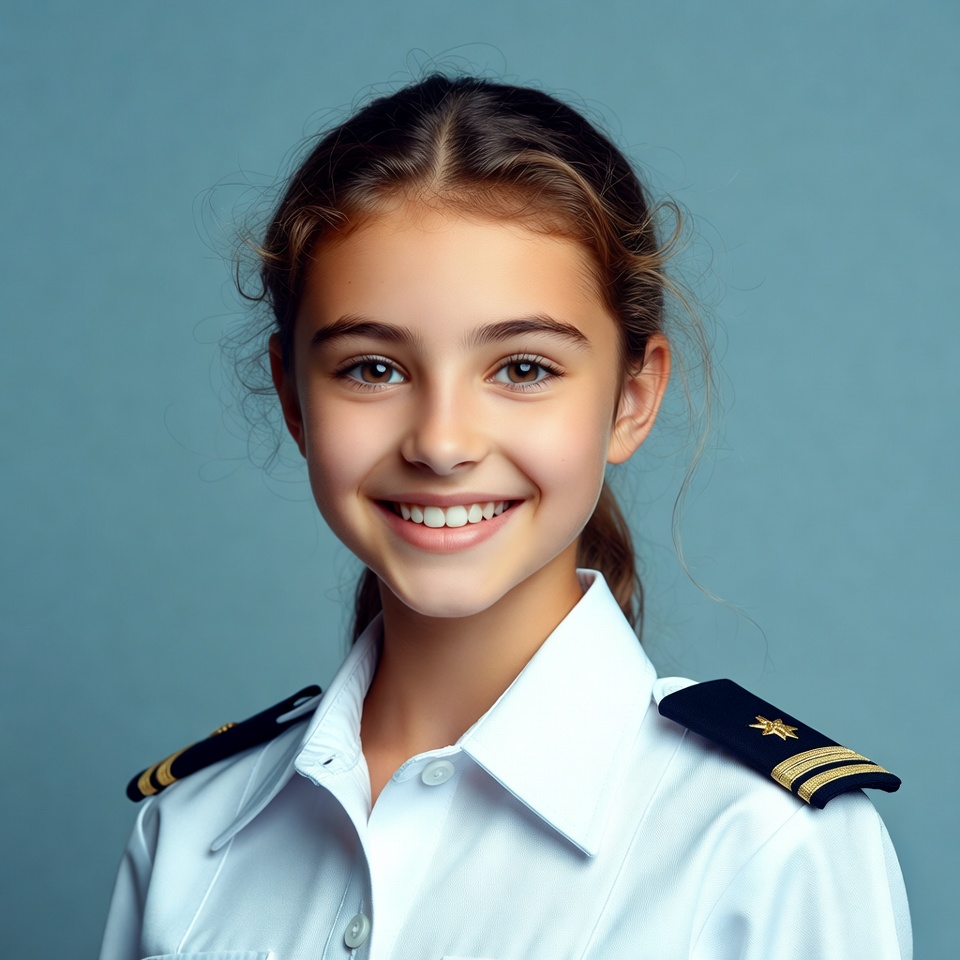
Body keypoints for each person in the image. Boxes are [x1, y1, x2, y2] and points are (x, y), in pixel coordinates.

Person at [99, 74, 911, 959]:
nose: (442, 443)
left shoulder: (765, 846)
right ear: (294, 399)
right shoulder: (190, 831)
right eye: (372, 369)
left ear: (633, 399)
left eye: (523, 369)